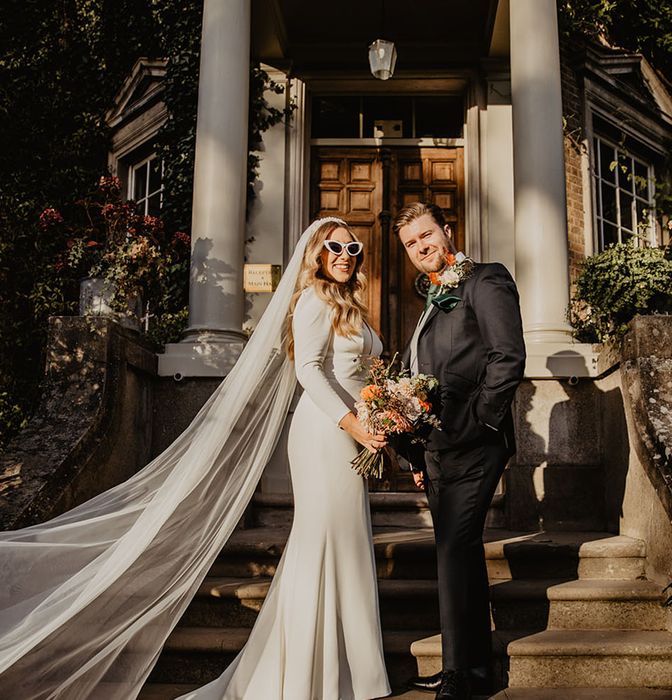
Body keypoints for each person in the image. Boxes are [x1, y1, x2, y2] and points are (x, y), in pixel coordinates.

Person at [0, 217, 391, 700]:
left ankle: (345, 668)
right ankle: (312, 675)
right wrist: (353, 424)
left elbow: (363, 375)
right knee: (324, 544)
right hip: (326, 433)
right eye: (334, 246)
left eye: (353, 248)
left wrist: (383, 415)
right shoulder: (312, 300)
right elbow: (309, 372)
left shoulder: (349, 305)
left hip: (355, 432)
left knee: (346, 543)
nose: (345, 254)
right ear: (315, 252)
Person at [394, 202, 526, 700]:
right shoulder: (430, 300)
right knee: (458, 555)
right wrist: (415, 449)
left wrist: (479, 422)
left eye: (426, 235)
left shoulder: (485, 279)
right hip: (438, 449)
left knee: (454, 551)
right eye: (410, 244)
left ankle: (464, 675)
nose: (421, 247)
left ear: (447, 232)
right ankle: (465, 667)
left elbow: (507, 355)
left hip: (474, 443)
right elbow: (424, 380)